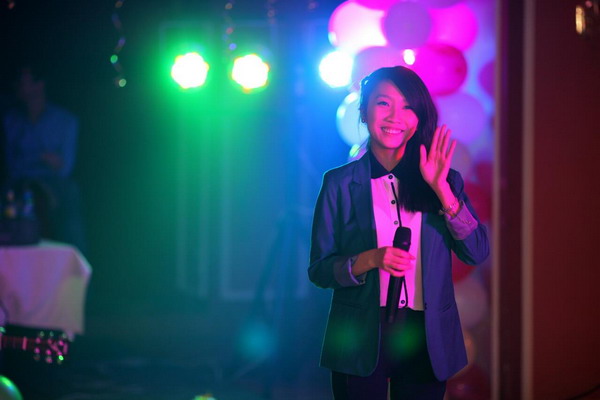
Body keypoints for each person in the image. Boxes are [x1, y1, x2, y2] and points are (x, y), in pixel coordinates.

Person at [308, 66, 489, 399]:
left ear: (419, 117)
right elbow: (319, 270)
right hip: (358, 333)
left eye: (407, 106)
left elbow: (477, 251)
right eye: (383, 103)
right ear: (364, 111)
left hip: (426, 335)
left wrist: (442, 191)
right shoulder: (339, 183)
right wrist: (370, 259)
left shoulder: (445, 181)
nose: (394, 116)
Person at [2, 63, 86, 252]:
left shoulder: (65, 120)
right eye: (18, 83)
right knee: (9, 194)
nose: (19, 87)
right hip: (20, 182)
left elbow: (65, 167)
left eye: (24, 82)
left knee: (69, 192)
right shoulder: (11, 120)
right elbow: (12, 165)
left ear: (39, 85)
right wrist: (42, 160)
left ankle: (74, 258)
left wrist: (40, 166)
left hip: (53, 183)